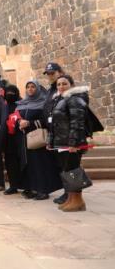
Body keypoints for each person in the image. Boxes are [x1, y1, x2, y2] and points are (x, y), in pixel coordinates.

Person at [47, 75, 91, 212]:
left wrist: (73, 143)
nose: (60, 86)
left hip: (71, 143)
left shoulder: (74, 99)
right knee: (67, 171)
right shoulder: (62, 99)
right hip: (62, 142)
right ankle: (72, 199)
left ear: (71, 85)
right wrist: (51, 141)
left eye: (64, 84)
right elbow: (55, 124)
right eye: (58, 84)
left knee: (73, 171)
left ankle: (78, 201)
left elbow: (76, 123)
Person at [17, 80, 63, 200]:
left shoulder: (43, 103)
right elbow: (17, 117)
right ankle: (32, 188)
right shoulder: (22, 103)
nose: (30, 89)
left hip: (38, 138)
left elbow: (46, 120)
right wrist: (19, 122)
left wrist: (29, 123)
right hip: (25, 138)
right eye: (28, 87)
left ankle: (43, 190)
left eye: (33, 87)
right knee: (30, 165)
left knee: (41, 164)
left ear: (37, 89)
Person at [41, 62, 68, 205]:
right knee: (60, 164)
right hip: (54, 133)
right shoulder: (51, 90)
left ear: (59, 72)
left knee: (68, 165)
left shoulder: (67, 87)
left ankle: (72, 194)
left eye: (53, 73)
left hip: (66, 134)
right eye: (48, 74)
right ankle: (68, 192)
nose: (50, 76)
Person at [1, 84, 26, 196]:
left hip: (20, 138)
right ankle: (13, 186)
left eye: (12, 92)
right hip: (8, 139)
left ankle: (25, 185)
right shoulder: (5, 105)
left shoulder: (22, 104)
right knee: (10, 164)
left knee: (22, 162)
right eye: (8, 92)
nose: (10, 94)